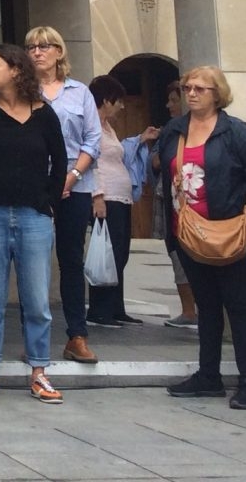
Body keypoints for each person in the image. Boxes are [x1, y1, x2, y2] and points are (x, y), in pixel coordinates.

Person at [0, 44, 68, 406]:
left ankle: (39, 371)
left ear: (16, 71)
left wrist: (48, 202)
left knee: (37, 300)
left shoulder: (44, 114)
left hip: (34, 215)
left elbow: (60, 160)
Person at [159, 67, 246, 409]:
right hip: (188, 232)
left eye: (200, 89)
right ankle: (208, 376)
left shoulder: (237, 133)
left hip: (231, 234)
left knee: (237, 305)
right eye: (187, 87)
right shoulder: (174, 130)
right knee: (206, 307)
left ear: (217, 94)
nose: (191, 93)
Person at [26, 25, 102, 364]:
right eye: (31, 47)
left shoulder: (79, 92)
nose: (38, 52)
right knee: (32, 263)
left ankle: (77, 335)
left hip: (77, 182)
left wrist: (71, 176)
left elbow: (93, 140)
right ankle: (34, 337)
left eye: (45, 46)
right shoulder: (23, 92)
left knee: (71, 261)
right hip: (34, 184)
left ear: (59, 52)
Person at [85, 75, 158, 327]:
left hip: (122, 198)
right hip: (107, 198)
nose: (122, 107)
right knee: (108, 254)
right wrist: (98, 196)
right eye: (118, 101)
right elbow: (90, 162)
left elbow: (118, 155)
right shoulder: (91, 123)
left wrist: (140, 140)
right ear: (106, 100)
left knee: (121, 254)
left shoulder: (109, 127)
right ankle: (99, 309)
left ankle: (116, 307)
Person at [159, 80, 199, 330]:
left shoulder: (230, 131)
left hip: (200, 210)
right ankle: (188, 311)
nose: (169, 105)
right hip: (175, 205)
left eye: (174, 100)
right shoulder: (173, 130)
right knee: (177, 255)